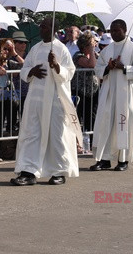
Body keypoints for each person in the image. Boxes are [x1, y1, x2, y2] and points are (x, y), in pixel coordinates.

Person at [10, 17, 81, 186]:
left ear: (53, 29)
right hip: (36, 99)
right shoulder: (35, 49)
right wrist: (32, 71)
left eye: (44, 26)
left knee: (57, 136)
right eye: (41, 26)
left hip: (56, 100)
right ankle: (28, 172)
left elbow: (70, 73)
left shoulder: (61, 49)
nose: (40, 29)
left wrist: (56, 65)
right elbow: (24, 70)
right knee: (32, 134)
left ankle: (58, 172)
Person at [90, 19, 133, 172]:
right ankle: (105, 159)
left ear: (124, 30)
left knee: (124, 124)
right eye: (112, 31)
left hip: (126, 93)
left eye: (117, 31)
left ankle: (123, 160)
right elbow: (98, 69)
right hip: (109, 92)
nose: (114, 34)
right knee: (105, 123)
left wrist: (124, 68)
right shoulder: (107, 50)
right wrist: (108, 68)